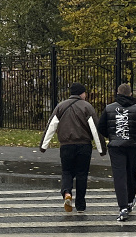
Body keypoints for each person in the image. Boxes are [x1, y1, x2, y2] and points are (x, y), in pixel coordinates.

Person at [40, 82, 104, 212]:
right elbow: (95, 129)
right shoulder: (87, 107)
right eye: (85, 93)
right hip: (84, 146)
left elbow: (51, 126)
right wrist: (101, 148)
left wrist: (43, 145)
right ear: (81, 93)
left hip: (66, 146)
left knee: (67, 172)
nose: (86, 95)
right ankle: (80, 204)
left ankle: (67, 193)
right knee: (82, 174)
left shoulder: (60, 106)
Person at [97, 83, 136, 222]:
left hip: (116, 147)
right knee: (131, 174)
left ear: (117, 93)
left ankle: (122, 207)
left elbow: (101, 127)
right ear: (130, 94)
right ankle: (130, 200)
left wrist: (112, 136)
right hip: (132, 145)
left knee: (119, 176)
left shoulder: (109, 109)